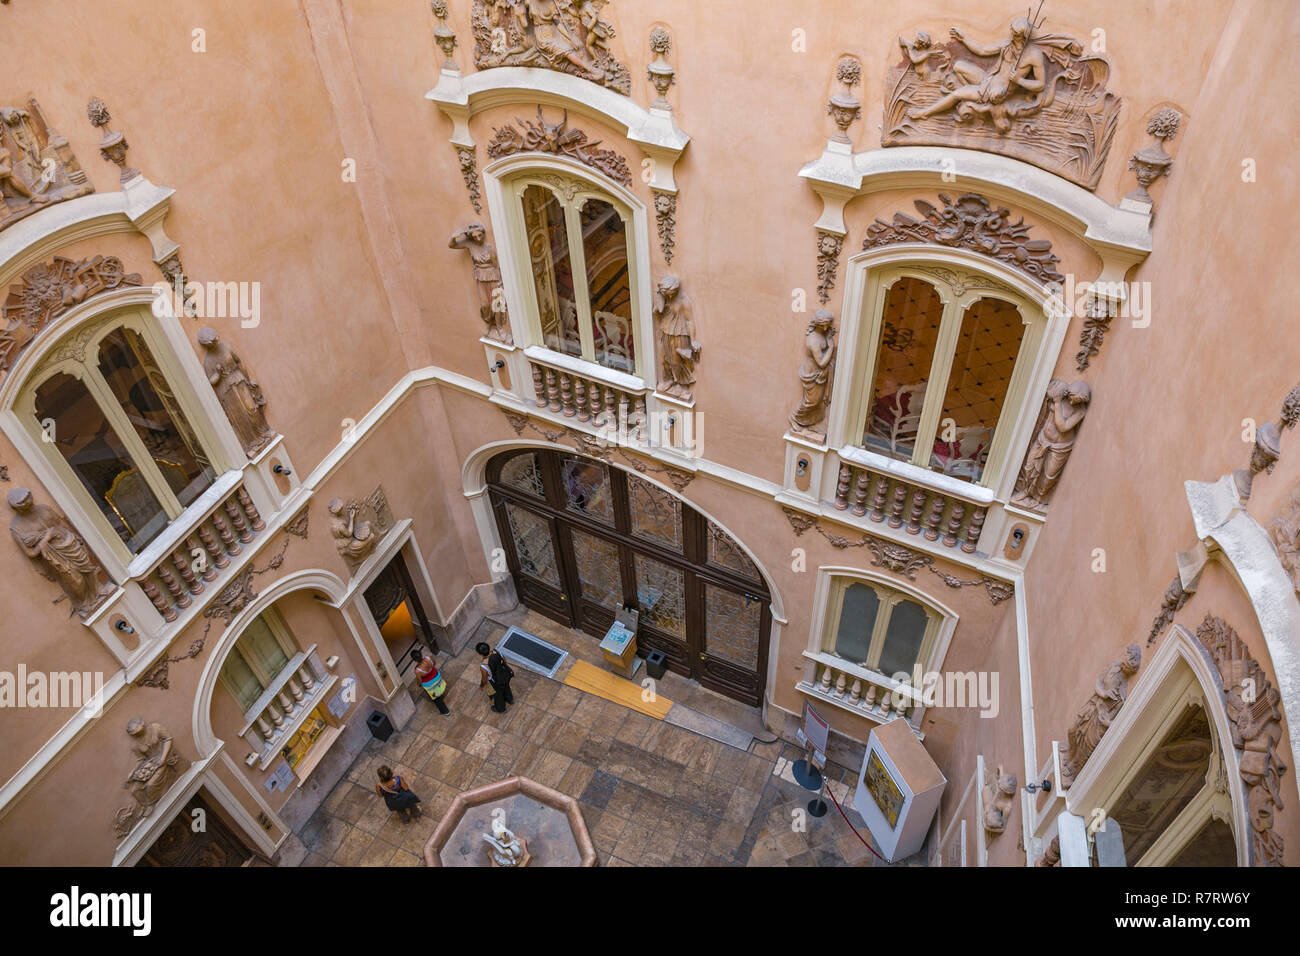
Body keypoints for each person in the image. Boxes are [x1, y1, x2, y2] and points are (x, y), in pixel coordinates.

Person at [411, 647, 451, 716]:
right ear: (421, 654)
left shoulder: (417, 670)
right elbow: (434, 663)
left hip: (430, 684)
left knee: (435, 698)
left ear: (413, 660)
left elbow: (419, 680)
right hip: (436, 676)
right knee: (439, 687)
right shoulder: (428, 658)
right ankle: (440, 691)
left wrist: (419, 684)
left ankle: (445, 711)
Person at [477, 641, 514, 713]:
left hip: (496, 682)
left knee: (498, 696)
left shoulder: (483, 666)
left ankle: (501, 709)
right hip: (505, 675)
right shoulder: (496, 651)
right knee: (506, 688)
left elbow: (484, 679)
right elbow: (504, 661)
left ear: (480, 654)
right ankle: (510, 700)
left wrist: (481, 685)